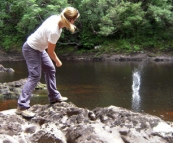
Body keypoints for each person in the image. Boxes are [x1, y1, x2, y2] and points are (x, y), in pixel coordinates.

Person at [16, 7, 80, 118]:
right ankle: (22, 107)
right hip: (31, 48)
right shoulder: (55, 31)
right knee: (35, 76)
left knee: (50, 69)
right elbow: (50, 51)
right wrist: (58, 61)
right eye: (75, 19)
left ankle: (54, 97)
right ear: (71, 20)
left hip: (39, 49)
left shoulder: (55, 17)